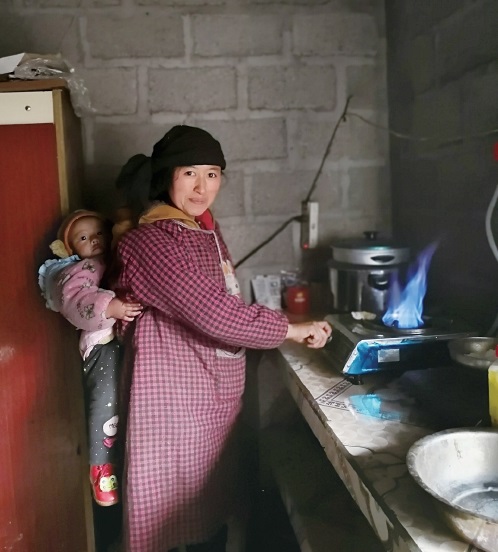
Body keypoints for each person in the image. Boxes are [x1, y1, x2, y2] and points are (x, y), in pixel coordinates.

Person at [112, 125, 332, 552]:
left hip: (209, 397)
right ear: (166, 177)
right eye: (189, 173)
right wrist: (289, 329)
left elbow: (224, 301)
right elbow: (212, 312)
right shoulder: (148, 241)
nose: (202, 187)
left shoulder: (205, 230)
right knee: (171, 519)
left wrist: (253, 340)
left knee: (208, 514)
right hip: (173, 404)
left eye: (212, 174)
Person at [38, 210, 142, 508]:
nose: (94, 240)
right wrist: (109, 308)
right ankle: (101, 467)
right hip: (103, 342)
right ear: (69, 248)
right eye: (83, 237)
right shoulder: (79, 269)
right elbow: (73, 299)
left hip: (123, 340)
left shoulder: (114, 257)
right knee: (106, 401)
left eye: (99, 233)